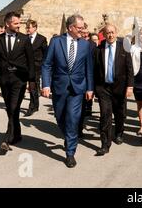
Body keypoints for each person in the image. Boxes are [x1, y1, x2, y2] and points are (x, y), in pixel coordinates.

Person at [41, 14, 94, 168]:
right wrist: (45, 84)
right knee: (60, 117)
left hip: (78, 88)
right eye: (80, 28)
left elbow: (88, 68)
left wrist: (90, 88)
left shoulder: (85, 45)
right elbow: (47, 65)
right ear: (70, 28)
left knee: (73, 118)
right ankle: (69, 136)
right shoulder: (56, 42)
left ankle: (70, 153)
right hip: (59, 87)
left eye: (83, 27)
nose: (82, 30)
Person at [0, 12, 36, 152]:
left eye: (19, 23)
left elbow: (31, 61)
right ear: (7, 24)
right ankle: (17, 134)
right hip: (4, 80)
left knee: (14, 108)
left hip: (19, 80)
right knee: (10, 109)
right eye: (16, 23)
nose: (19, 25)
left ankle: (6, 139)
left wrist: (31, 81)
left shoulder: (24, 39)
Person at [93, 24, 134, 156]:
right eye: (107, 33)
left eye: (112, 32)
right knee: (105, 115)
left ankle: (119, 132)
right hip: (103, 88)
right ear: (104, 35)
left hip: (120, 87)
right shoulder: (99, 48)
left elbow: (130, 69)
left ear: (116, 33)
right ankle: (105, 144)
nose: (110, 35)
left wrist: (130, 86)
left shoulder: (124, 47)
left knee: (120, 113)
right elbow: (95, 69)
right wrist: (94, 88)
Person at [25, 20, 48, 117]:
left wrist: (43, 65)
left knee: (33, 85)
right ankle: (36, 104)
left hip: (37, 67)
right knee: (32, 86)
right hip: (25, 66)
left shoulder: (41, 39)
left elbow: (46, 54)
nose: (27, 29)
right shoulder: (25, 38)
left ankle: (32, 106)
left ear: (34, 28)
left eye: (29, 27)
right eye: (26, 27)